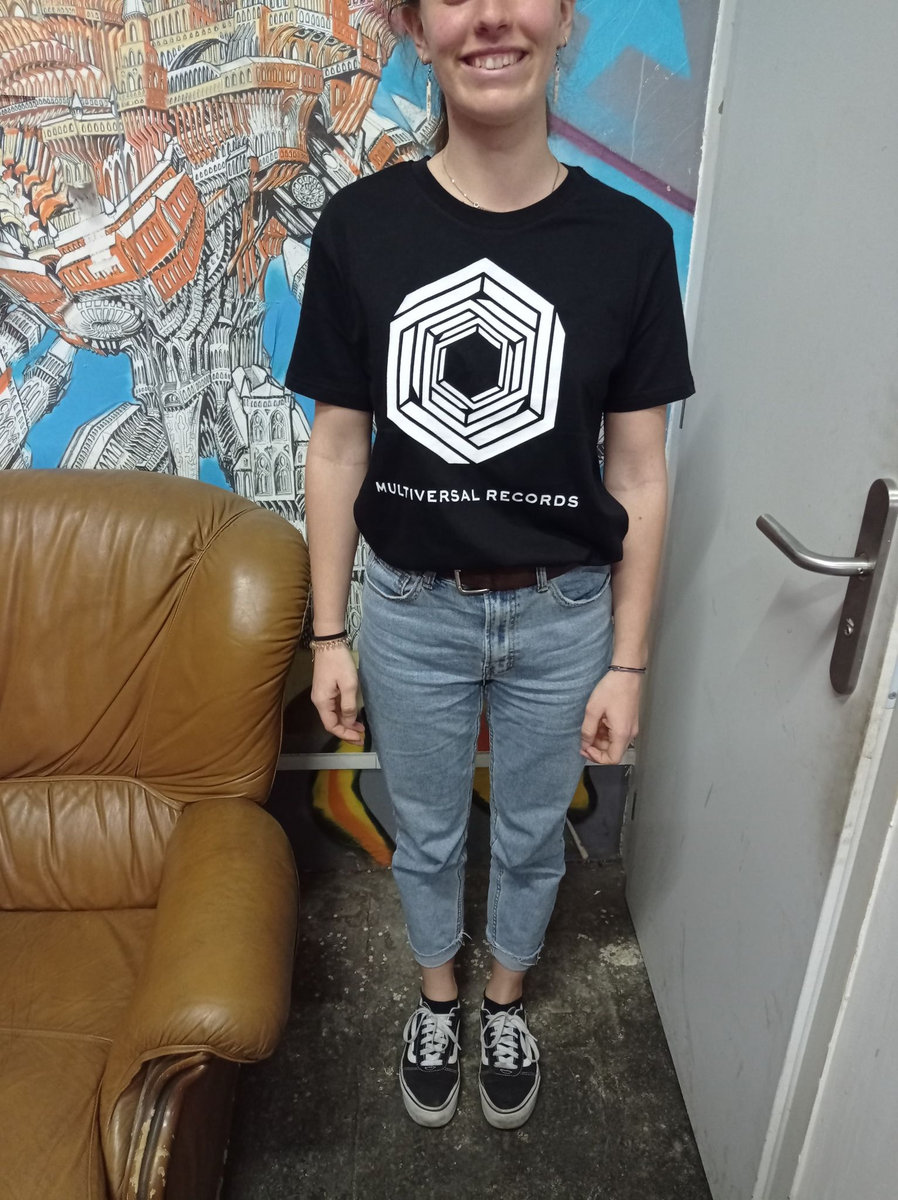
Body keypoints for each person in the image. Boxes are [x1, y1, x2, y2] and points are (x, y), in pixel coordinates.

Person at [286, 0, 694, 1131]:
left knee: (527, 834)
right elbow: (336, 446)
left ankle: (504, 996)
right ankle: (438, 994)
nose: (491, 19)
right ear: (418, 30)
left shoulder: (629, 243)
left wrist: (628, 663)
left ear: (563, 19)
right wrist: (329, 635)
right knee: (424, 831)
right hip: (410, 611)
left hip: (565, 615)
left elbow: (640, 471)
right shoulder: (362, 227)